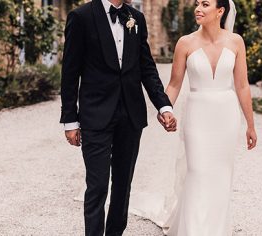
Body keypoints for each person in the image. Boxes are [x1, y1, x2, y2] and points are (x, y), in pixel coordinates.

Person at [59, 0, 177, 235]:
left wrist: (164, 106)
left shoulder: (137, 18)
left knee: (123, 185)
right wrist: (70, 120)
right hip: (95, 115)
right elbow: (70, 73)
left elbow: (147, 67)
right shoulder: (81, 17)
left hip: (130, 115)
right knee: (98, 185)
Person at [157, 0, 257, 235]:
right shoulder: (185, 43)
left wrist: (250, 125)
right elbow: (174, 84)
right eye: (197, 4)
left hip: (226, 116)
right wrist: (165, 109)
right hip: (197, 114)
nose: (198, 8)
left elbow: (242, 86)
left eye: (205, 4)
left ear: (220, 11)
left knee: (221, 174)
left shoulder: (236, 42)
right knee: (198, 170)